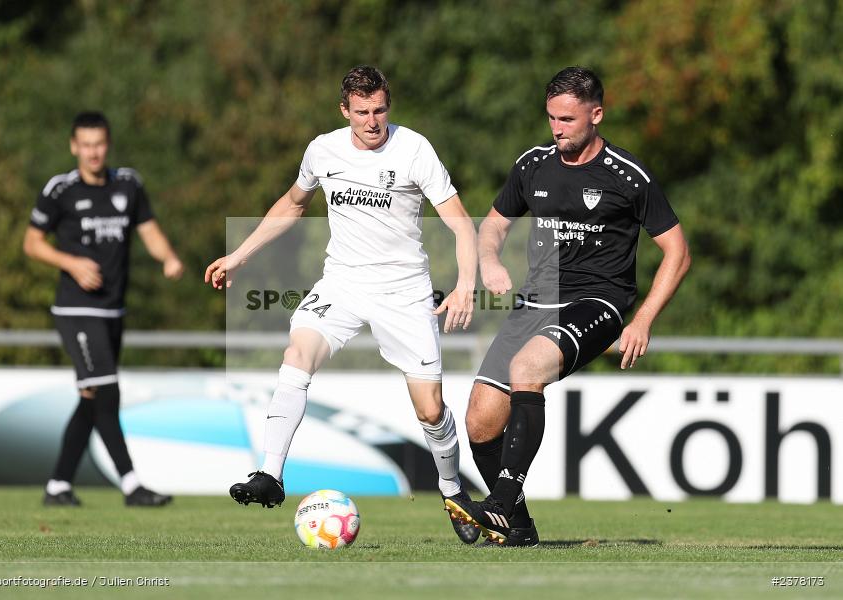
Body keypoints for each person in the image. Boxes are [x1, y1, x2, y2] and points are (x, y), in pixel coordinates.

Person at [205, 65, 480, 542]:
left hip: (404, 290)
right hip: (342, 283)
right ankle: (271, 474)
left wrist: (466, 285)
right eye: (361, 113)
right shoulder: (323, 149)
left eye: (379, 111)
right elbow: (292, 204)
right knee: (297, 357)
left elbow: (459, 222)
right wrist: (239, 254)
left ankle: (453, 489)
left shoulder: (415, 149)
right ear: (344, 111)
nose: (372, 122)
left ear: (387, 107)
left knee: (431, 410)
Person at [445, 67, 691, 546]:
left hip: (598, 301)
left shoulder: (628, 176)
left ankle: (498, 502)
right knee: (479, 420)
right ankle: (519, 527)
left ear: (596, 115)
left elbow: (678, 252)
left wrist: (643, 319)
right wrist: (491, 260)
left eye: (568, 119)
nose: (557, 128)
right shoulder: (533, 164)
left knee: (527, 366)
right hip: (536, 301)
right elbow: (492, 225)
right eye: (552, 118)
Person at [24, 111, 184, 507]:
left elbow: (149, 230)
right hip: (76, 310)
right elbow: (32, 243)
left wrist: (168, 258)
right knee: (107, 390)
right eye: (86, 145)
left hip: (113, 310)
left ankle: (58, 484)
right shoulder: (60, 190)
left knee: (92, 395)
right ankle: (132, 485)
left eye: (99, 144)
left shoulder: (128, 185)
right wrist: (71, 263)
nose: (93, 153)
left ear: (107, 144)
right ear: (74, 146)